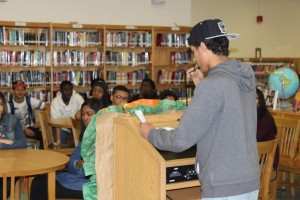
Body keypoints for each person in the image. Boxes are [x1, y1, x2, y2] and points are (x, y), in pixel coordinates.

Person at [139, 19, 260, 199]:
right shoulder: (242, 78)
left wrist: (150, 133)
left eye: (193, 51)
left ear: (203, 47)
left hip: (223, 185)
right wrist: (203, 85)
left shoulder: (212, 86)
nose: (194, 58)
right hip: (248, 180)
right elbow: (229, 115)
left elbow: (180, 140)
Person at [30, 98, 103, 200]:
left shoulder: (105, 137)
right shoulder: (86, 135)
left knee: (41, 186)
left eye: (89, 114)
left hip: (89, 186)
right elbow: (72, 164)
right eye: (82, 114)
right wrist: (78, 164)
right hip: (76, 178)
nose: (85, 117)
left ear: (99, 115)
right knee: (38, 181)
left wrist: (87, 165)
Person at [0, 91, 27, 200]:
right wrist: (3, 142)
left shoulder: (12, 119)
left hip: (10, 166)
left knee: (4, 186)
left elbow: (23, 143)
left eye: (1, 104)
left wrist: (1, 145)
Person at [7, 80, 49, 148]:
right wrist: (24, 129)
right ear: (12, 91)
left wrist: (41, 122)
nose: (20, 92)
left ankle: (41, 156)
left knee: (44, 137)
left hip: (31, 128)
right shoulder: (8, 106)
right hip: (15, 130)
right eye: (17, 90)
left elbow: (48, 107)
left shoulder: (30, 101)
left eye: (22, 90)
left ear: (25, 91)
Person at [50, 80, 84, 144]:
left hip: (77, 127)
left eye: (70, 90)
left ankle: (80, 152)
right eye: (65, 90)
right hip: (61, 128)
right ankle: (60, 153)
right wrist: (69, 127)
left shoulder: (78, 98)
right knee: (59, 134)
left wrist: (74, 127)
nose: (68, 92)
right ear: (61, 91)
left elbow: (83, 114)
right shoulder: (55, 102)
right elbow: (56, 120)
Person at [256, 88, 279, 169]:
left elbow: (254, 138)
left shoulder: (266, 119)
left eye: (255, 98)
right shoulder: (251, 115)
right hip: (256, 157)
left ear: (260, 101)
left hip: (266, 159)